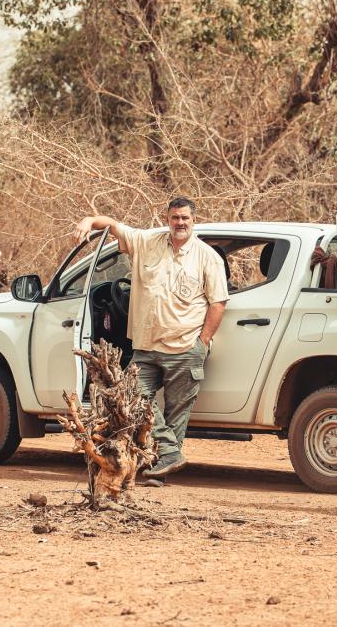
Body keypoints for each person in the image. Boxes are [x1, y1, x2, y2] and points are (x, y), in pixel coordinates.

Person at [73, 198, 229, 484]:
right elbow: (113, 226)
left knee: (176, 412)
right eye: (174, 218)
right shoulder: (146, 241)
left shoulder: (207, 257)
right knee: (132, 393)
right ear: (166, 218)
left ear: (193, 220)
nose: (179, 223)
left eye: (185, 218)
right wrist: (89, 222)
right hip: (146, 346)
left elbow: (218, 303)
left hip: (185, 347)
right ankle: (170, 453)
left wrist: (202, 342)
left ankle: (161, 470)